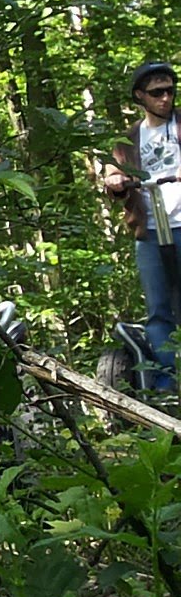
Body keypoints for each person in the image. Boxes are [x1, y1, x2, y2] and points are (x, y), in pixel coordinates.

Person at [102, 62, 179, 392]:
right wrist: (115, 180)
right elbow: (111, 176)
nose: (165, 98)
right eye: (156, 93)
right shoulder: (128, 140)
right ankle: (169, 385)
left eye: (170, 91)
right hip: (151, 233)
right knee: (159, 311)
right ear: (139, 97)